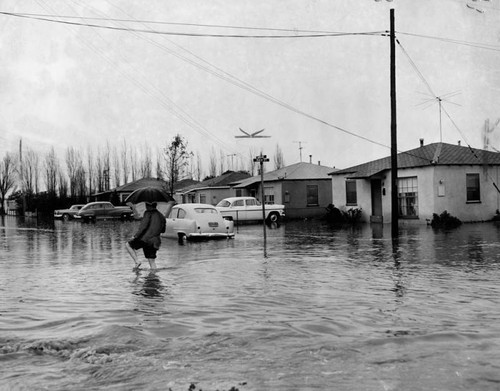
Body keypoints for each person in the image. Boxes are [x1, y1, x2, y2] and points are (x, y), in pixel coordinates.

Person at [126, 201, 166, 271]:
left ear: (149, 206)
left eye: (146, 205)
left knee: (128, 245)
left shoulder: (147, 213)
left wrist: (135, 236)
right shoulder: (161, 216)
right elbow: (163, 230)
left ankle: (137, 262)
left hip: (145, 239)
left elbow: (143, 227)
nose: (146, 207)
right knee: (152, 261)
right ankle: (154, 279)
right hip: (155, 241)